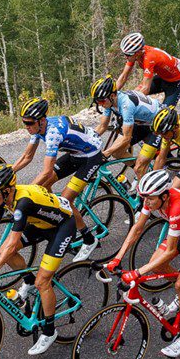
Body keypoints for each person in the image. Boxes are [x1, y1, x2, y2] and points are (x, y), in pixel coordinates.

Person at [0, 165, 76, 355]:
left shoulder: (22, 203)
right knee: (3, 251)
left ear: (7, 191)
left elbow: (13, 243)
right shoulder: (3, 199)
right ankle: (28, 282)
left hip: (62, 227)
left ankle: (49, 330)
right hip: (40, 223)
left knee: (43, 281)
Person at [103, 171, 180, 359]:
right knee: (157, 266)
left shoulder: (176, 208)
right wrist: (117, 258)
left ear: (164, 196)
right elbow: (137, 228)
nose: (145, 202)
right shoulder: (153, 200)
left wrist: (137, 272)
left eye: (149, 198)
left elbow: (170, 251)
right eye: (143, 198)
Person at [11, 98, 105, 260]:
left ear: (41, 120)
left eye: (29, 123)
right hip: (76, 152)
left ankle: (89, 239)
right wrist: (7, 173)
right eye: (24, 123)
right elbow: (27, 157)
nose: (26, 126)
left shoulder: (53, 133)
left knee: (65, 200)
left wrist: (25, 194)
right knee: (45, 186)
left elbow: (47, 171)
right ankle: (56, 219)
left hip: (91, 155)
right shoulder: (37, 128)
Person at [89, 77, 163, 166]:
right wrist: (87, 139)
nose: (100, 104)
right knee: (117, 153)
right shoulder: (109, 102)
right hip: (142, 123)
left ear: (112, 96)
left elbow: (126, 138)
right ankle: (141, 171)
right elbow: (102, 126)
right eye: (97, 101)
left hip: (158, 123)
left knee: (154, 159)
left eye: (101, 101)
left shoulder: (126, 105)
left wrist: (105, 153)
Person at [114, 32, 180, 108]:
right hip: (163, 79)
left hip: (177, 84)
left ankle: (174, 119)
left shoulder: (149, 58)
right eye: (125, 54)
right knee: (132, 94)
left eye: (128, 55)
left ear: (138, 53)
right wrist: (112, 94)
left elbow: (145, 89)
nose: (126, 57)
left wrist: (128, 105)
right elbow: (123, 76)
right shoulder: (136, 54)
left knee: (163, 115)